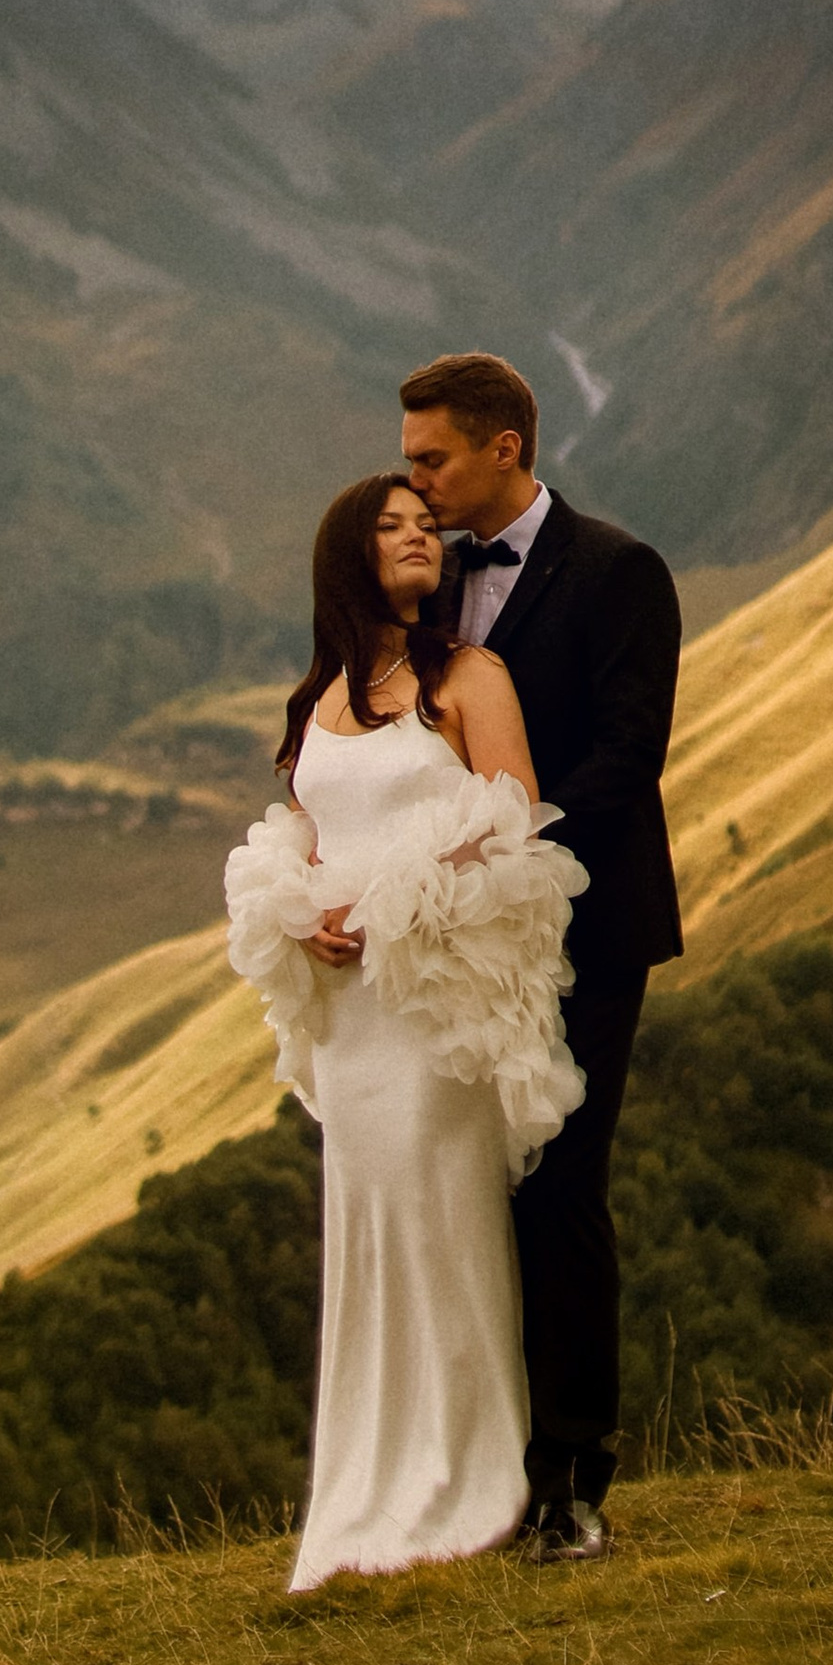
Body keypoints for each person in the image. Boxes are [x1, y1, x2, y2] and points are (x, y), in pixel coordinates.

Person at [225, 472, 587, 1589]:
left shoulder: (466, 678)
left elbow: (510, 816)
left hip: (432, 1008)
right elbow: (302, 825)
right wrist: (300, 911)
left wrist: (383, 902)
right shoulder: (318, 699)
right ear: (348, 555)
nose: (417, 538)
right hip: (351, 1019)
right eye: (390, 528)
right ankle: (369, 1490)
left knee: (445, 1219)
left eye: (425, 525)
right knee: (369, 1229)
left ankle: (471, 1481)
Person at [397, 347, 683, 1563]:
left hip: (586, 934)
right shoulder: (431, 585)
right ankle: (476, 1476)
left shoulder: (621, 572)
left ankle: (574, 1480)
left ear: (502, 448)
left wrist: (491, 855)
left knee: (560, 1190)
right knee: (468, 1198)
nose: (411, 478)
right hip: (460, 955)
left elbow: (628, 757)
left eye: (431, 457)